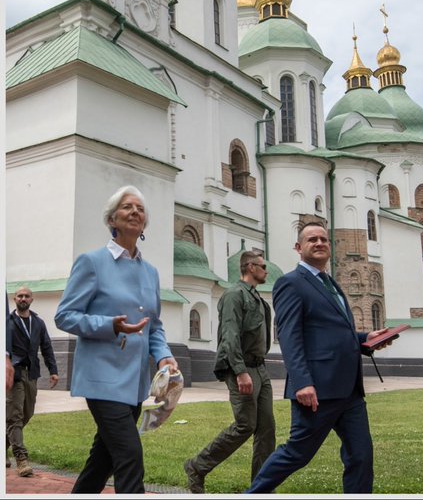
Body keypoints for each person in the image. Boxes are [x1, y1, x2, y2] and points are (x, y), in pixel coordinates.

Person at [247, 222, 396, 493]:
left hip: (350, 391)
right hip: (317, 389)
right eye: (311, 239)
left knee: (361, 455)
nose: (319, 243)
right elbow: (290, 336)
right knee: (297, 453)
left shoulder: (330, 283)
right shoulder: (290, 283)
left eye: (323, 239)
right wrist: (302, 382)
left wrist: (367, 339)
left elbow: (333, 332)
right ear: (298, 247)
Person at [55, 186, 177, 494]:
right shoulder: (92, 262)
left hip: (135, 384)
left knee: (103, 460)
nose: (135, 211)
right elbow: (65, 316)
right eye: (127, 207)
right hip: (101, 379)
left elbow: (155, 325)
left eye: (140, 208)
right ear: (113, 219)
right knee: (129, 456)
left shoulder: (150, 272)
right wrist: (111, 326)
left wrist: (163, 355)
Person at [184, 251, 276, 493]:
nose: (266, 270)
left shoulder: (256, 297)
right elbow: (229, 335)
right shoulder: (235, 295)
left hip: (260, 368)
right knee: (245, 425)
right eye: (262, 266)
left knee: (266, 430)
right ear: (250, 267)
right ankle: (197, 466)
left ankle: (261, 487)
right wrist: (240, 371)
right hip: (242, 368)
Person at [7, 287, 60, 477]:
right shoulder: (7, 322)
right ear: (14, 299)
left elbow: (46, 346)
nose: (23, 298)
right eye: (20, 296)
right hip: (14, 374)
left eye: (26, 296)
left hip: (32, 374)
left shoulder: (38, 322)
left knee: (27, 414)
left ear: (32, 299)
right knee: (15, 416)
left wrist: (53, 370)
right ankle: (21, 459)